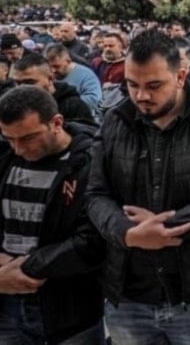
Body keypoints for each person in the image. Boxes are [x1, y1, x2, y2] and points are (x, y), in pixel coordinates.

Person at [86, 29, 190, 344]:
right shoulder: (114, 120)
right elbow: (96, 194)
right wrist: (127, 232)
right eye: (132, 85)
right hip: (128, 295)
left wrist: (167, 225)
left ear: (181, 76)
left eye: (153, 86)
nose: (141, 96)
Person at [0, 86, 105, 344]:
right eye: (9, 138)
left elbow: (92, 239)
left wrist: (21, 268)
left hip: (68, 305)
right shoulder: (5, 157)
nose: (18, 148)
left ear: (56, 123)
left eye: (28, 138)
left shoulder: (91, 162)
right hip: (7, 306)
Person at [44, 44, 102, 115]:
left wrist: (65, 103)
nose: (53, 70)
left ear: (68, 61)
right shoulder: (47, 75)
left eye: (57, 66)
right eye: (50, 66)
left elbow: (94, 99)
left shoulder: (86, 75)